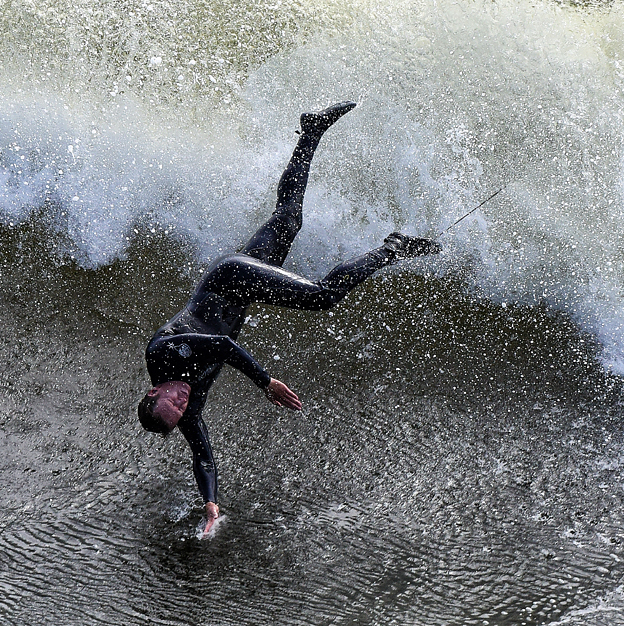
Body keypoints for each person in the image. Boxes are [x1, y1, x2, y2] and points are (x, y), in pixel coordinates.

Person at [138, 101, 441, 535]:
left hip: (231, 279)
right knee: (290, 218)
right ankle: (311, 131)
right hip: (243, 290)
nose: (185, 400)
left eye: (175, 400)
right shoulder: (183, 405)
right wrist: (210, 504)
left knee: (322, 297)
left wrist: (266, 382)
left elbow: (222, 346)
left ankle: (391, 246)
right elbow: (202, 455)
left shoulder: (164, 353)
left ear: (155, 390)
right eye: (182, 408)